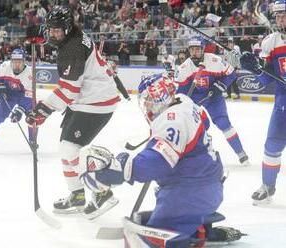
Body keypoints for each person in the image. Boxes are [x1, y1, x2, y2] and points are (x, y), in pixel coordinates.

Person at [79, 78, 244, 247]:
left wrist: (122, 170)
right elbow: (205, 122)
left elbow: (157, 163)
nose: (148, 107)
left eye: (149, 101)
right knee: (145, 219)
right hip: (207, 186)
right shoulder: (185, 102)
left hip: (190, 194)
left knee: (150, 242)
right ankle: (199, 229)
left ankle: (193, 235)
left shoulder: (172, 120)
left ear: (160, 98)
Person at [25, 5, 120, 218]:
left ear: (68, 28)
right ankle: (77, 195)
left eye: (57, 30)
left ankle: (102, 191)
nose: (53, 34)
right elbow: (71, 90)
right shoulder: (74, 36)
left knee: (70, 149)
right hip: (86, 99)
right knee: (65, 149)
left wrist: (43, 110)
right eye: (50, 29)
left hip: (96, 101)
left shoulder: (72, 48)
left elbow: (69, 90)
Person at [175, 36, 250, 166]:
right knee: (194, 127)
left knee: (224, 124)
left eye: (197, 49)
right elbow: (181, 92)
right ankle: (193, 157)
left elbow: (231, 74)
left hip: (214, 98)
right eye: (192, 49)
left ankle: (240, 152)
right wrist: (184, 104)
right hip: (195, 100)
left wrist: (219, 85)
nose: (194, 52)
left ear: (203, 49)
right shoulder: (184, 68)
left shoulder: (215, 60)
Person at [240, 0, 286, 205]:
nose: (280, 19)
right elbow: (266, 79)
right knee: (272, 144)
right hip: (283, 102)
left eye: (284, 15)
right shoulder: (272, 42)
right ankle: (268, 186)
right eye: (277, 16)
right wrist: (256, 69)